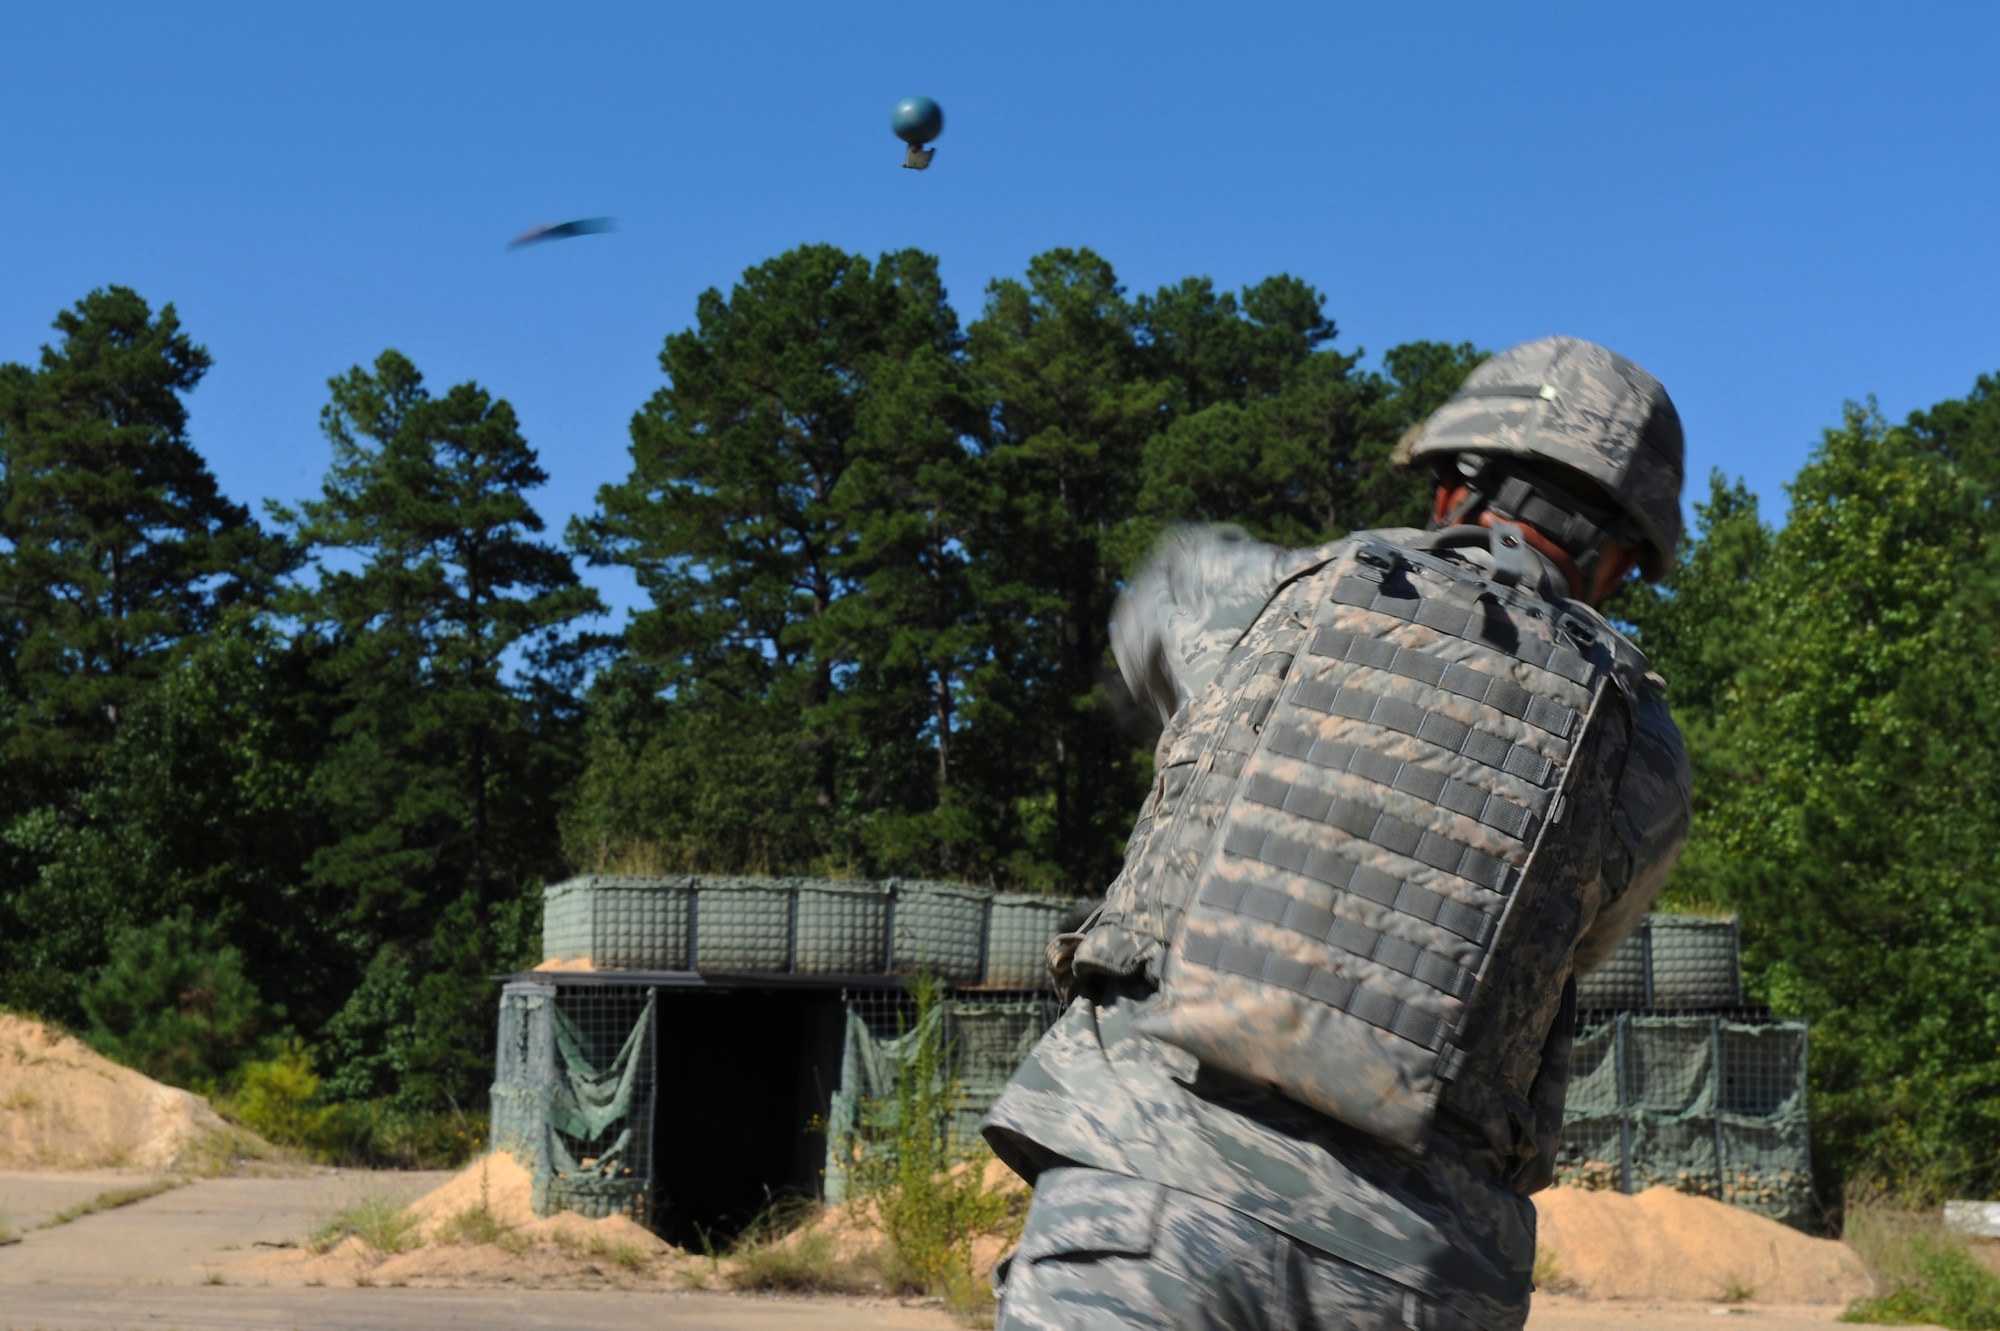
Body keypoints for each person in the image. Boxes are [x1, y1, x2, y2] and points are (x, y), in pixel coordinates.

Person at [981, 336, 1693, 1331]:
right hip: (1414, 1265)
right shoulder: (1643, 755)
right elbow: (1562, 942)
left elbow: (1156, 602)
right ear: (1618, 558)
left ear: (1452, 488)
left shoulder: (1269, 596)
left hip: (1149, 1193)